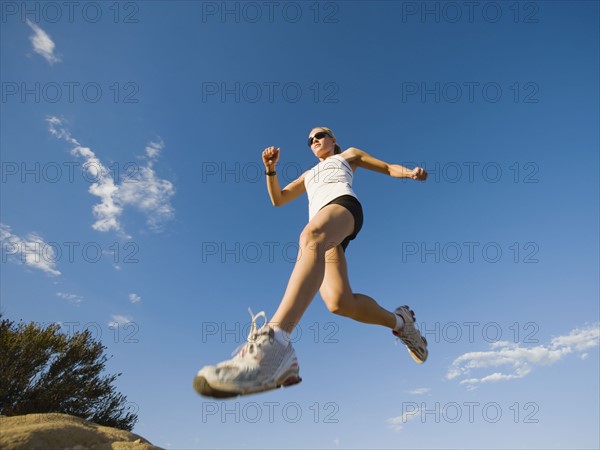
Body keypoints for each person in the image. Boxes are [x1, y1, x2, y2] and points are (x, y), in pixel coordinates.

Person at [194, 127, 429, 398]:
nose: (315, 140)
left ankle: (275, 342)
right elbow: (278, 199)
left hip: (344, 208)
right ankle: (401, 323)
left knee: (311, 235)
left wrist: (409, 172)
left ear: (333, 140)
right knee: (339, 302)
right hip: (327, 231)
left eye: (320, 135)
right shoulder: (308, 175)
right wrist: (270, 169)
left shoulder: (348, 156)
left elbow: (387, 168)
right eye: (310, 140)